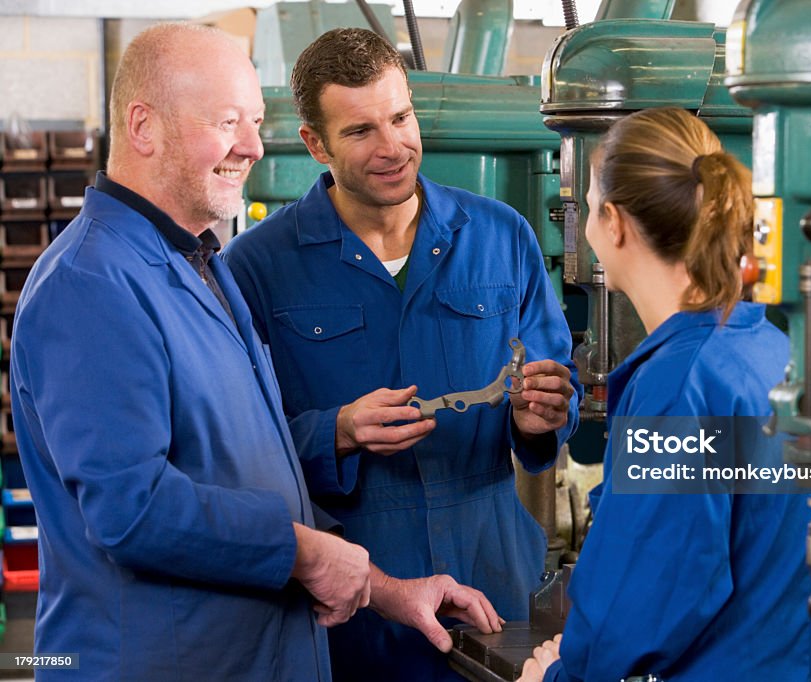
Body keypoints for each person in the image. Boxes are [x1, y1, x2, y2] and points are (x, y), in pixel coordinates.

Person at [10, 23, 500, 681]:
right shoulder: (92, 285)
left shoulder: (197, 263)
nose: (249, 145)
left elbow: (252, 477)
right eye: (226, 121)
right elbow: (132, 510)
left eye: (255, 121)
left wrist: (386, 588)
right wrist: (308, 556)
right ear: (143, 127)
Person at [223, 27, 580, 682]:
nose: (392, 148)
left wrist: (542, 418)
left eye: (400, 117)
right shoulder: (255, 269)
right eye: (360, 131)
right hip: (350, 596)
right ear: (315, 143)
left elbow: (557, 385)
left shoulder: (501, 237)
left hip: (494, 579)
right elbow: (229, 447)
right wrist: (334, 432)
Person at [517, 107, 811, 681]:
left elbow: (647, 591)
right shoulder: (769, 348)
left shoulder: (680, 386)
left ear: (613, 223)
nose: (585, 224)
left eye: (585, 207)